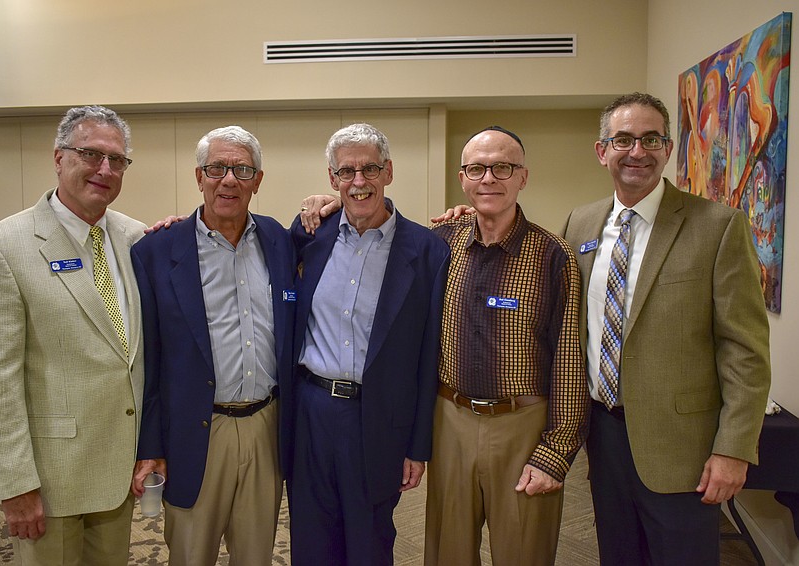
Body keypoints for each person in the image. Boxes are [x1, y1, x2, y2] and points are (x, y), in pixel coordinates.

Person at [562, 92, 771, 565]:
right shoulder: (581, 224)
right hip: (604, 434)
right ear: (602, 151)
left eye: (651, 139)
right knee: (619, 554)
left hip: (684, 449)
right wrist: (472, 219)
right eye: (624, 139)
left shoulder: (718, 226)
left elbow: (746, 351)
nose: (637, 151)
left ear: (668, 148)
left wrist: (734, 449)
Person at [0, 105, 146, 564]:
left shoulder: (137, 238)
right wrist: (15, 485)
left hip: (118, 473)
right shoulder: (2, 247)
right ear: (59, 158)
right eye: (90, 154)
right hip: (49, 481)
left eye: (117, 160)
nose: (105, 169)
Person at [130, 126, 295, 565]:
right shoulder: (157, 251)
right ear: (198, 176)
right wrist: (150, 445)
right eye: (217, 168)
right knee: (190, 554)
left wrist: (326, 199)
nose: (229, 180)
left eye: (243, 169)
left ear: (258, 181)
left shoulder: (279, 240)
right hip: (195, 430)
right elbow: (148, 358)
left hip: (266, 426)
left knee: (256, 553)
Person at [424, 127, 589, 565]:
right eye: (477, 168)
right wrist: (325, 205)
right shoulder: (440, 245)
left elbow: (570, 361)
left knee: (523, 551)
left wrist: (555, 452)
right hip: (450, 420)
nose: (489, 178)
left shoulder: (554, 255)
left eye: (503, 167)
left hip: (522, 424)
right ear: (463, 178)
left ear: (523, 177)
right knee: (448, 553)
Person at [288, 123, 450, 565]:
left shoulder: (428, 251)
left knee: (369, 542)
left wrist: (417, 446)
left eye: (370, 169)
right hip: (312, 411)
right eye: (347, 172)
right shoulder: (309, 236)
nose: (359, 182)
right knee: (311, 539)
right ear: (332, 179)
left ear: (389, 172)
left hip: (377, 417)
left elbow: (427, 356)